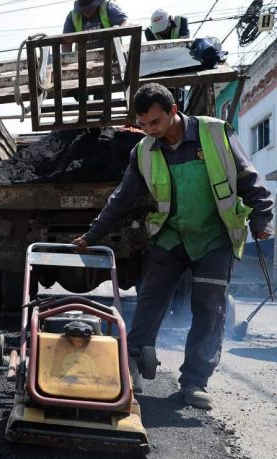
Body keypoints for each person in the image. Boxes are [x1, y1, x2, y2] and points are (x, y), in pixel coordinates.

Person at [72, 83, 273, 410]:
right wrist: (92, 235)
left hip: (214, 237)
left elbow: (249, 179)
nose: (149, 130)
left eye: (154, 122)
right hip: (172, 235)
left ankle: (194, 382)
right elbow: (122, 199)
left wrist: (262, 220)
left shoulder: (215, 133)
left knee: (209, 308)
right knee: (150, 300)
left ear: (173, 111)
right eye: (143, 124)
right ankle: (132, 365)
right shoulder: (144, 151)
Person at [63, 0, 129, 51]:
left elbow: (124, 22)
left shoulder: (108, 6)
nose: (87, 11)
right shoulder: (72, 16)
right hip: (83, 60)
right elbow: (66, 44)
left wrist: (118, 29)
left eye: (90, 7)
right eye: (84, 8)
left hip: (110, 55)